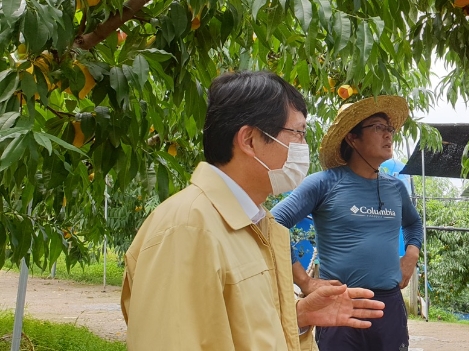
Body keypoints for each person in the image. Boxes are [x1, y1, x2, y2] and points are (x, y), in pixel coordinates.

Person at [121, 71, 385, 350]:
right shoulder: (187, 229)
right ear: (249, 140)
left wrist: (299, 315)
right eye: (298, 133)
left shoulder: (259, 224)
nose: (303, 147)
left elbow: (241, 329)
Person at [272, 95, 423, 351]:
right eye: (378, 127)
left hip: (389, 306)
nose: (389, 135)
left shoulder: (396, 188)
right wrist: (305, 282)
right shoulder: (324, 183)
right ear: (352, 138)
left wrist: (411, 256)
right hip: (339, 305)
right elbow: (274, 222)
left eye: (390, 129)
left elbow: (414, 225)